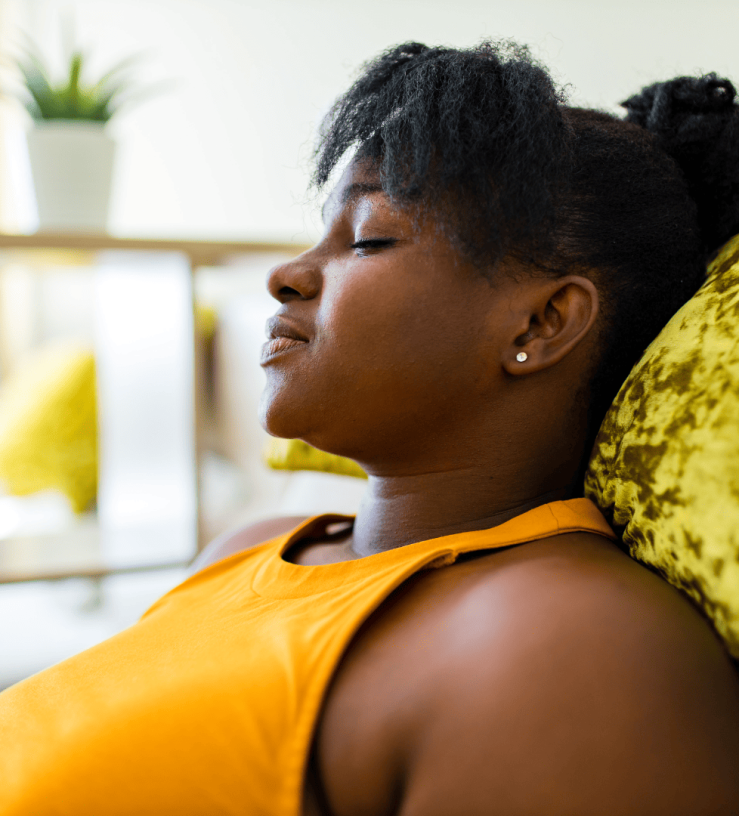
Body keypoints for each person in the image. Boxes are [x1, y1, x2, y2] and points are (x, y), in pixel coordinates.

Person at [3, 40, 739, 815]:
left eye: (368, 238)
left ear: (541, 322)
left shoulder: (563, 646)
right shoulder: (251, 548)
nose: (284, 275)